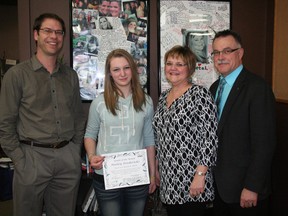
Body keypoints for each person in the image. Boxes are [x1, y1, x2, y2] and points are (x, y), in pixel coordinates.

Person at [0, 13, 86, 216]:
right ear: (36, 35)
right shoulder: (17, 75)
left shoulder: (70, 76)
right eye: (47, 31)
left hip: (66, 158)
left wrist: (74, 150)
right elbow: (5, 123)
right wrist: (20, 161)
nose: (53, 36)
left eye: (58, 32)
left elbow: (78, 117)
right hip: (31, 158)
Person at [209, 29, 276, 216]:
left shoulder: (257, 88)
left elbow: (265, 144)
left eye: (227, 51)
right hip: (220, 189)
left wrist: (252, 186)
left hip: (245, 192)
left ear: (240, 53)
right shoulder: (214, 88)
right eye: (216, 52)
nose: (220, 57)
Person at [84, 49, 156, 216]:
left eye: (126, 68)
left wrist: (152, 174)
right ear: (110, 74)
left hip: (137, 175)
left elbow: (149, 140)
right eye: (116, 69)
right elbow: (89, 135)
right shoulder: (99, 103)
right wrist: (92, 155)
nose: (122, 74)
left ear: (133, 69)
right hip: (106, 176)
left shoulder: (146, 101)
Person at [152, 45, 218, 216]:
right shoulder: (163, 97)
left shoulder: (200, 95)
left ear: (190, 68)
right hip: (169, 179)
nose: (173, 68)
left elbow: (209, 138)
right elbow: (160, 136)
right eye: (169, 63)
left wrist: (200, 175)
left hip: (193, 178)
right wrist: (157, 167)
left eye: (179, 64)